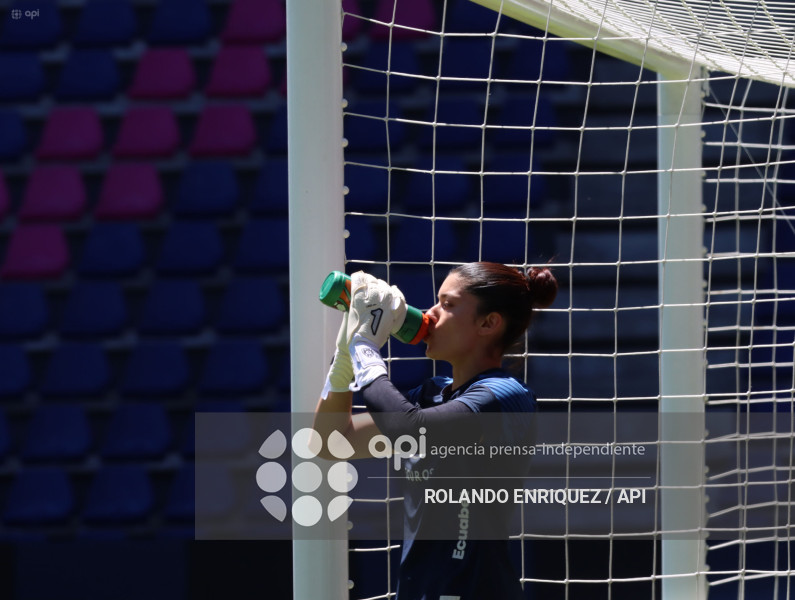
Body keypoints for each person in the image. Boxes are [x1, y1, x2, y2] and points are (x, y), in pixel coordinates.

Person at [314, 262, 558, 600]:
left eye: (448, 304)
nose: (431, 313)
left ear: (489, 323)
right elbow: (332, 442)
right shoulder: (433, 393)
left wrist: (365, 349)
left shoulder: (505, 395)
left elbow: (410, 431)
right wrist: (344, 359)